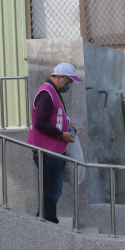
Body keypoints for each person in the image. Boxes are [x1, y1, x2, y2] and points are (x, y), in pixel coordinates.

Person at [28, 62, 80, 223]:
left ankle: (42, 221)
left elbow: (54, 116)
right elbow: (40, 123)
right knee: (52, 190)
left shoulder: (52, 91)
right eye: (68, 81)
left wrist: (68, 123)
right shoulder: (46, 93)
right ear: (59, 77)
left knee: (51, 190)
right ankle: (48, 223)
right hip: (47, 152)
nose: (69, 85)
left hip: (52, 151)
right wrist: (61, 135)